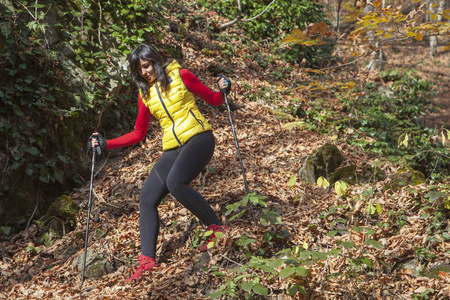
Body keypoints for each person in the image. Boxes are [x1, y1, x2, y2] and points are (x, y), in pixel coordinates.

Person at [89, 43, 230, 282]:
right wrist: (106, 144)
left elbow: (214, 100)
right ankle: (147, 262)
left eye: (146, 65)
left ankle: (216, 229)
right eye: (139, 69)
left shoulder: (181, 75)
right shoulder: (145, 94)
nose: (144, 72)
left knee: (176, 182)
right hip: (173, 147)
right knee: (147, 198)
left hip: (199, 138)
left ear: (155, 60)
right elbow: (138, 133)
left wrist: (224, 89)